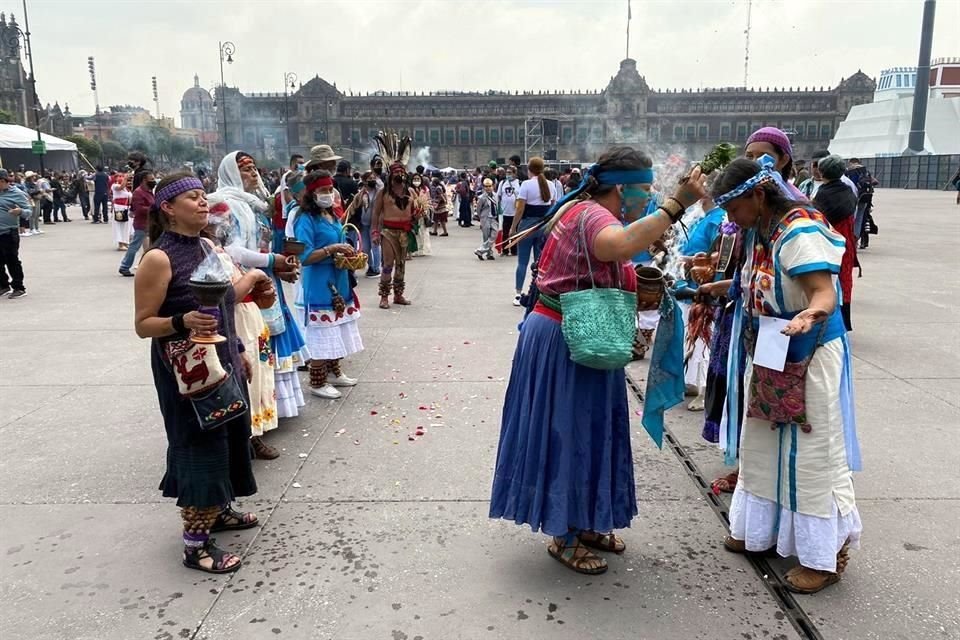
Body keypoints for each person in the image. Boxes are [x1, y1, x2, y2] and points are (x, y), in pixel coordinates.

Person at [490, 146, 707, 575]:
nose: (648, 195)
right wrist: (676, 203)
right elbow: (618, 245)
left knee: (590, 429)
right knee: (566, 432)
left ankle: (587, 520)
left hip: (583, 338)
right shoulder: (592, 216)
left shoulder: (589, 211)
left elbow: (621, 250)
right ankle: (564, 534)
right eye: (644, 188)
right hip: (564, 340)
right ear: (621, 188)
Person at [711, 157, 862, 594]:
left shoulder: (798, 229)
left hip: (809, 348)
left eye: (734, 207)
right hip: (774, 349)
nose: (730, 218)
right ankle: (759, 533)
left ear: (758, 195)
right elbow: (758, 285)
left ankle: (825, 556)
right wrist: (715, 288)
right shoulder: (759, 230)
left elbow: (822, 291)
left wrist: (810, 315)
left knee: (811, 448)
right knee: (761, 441)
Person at [135, 171, 265, 574]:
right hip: (187, 370)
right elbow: (143, 324)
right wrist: (182, 321)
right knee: (199, 445)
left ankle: (220, 510)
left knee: (228, 437)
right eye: (192, 197)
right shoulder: (158, 257)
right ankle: (196, 546)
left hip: (222, 360)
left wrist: (239, 349)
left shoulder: (209, 244)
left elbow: (224, 305)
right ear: (168, 209)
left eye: (202, 195)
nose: (202, 202)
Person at [212, 151, 297, 460]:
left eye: (253, 168)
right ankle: (244, 433)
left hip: (256, 289)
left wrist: (273, 265)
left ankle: (257, 429)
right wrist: (271, 261)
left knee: (261, 363)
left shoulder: (253, 204)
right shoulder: (226, 204)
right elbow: (231, 250)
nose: (252, 173)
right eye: (244, 169)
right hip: (238, 292)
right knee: (243, 365)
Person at [294, 170, 363, 399]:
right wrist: (332, 249)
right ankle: (317, 381)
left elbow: (340, 238)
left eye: (329, 190)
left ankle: (335, 372)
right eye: (323, 190)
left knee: (337, 326)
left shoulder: (331, 215)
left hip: (339, 277)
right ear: (312, 193)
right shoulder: (305, 219)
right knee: (323, 331)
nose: (328, 194)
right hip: (320, 282)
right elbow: (303, 256)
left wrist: (347, 249)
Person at [813, 155, 858, 331]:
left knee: (827, 282)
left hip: (828, 243)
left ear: (822, 172)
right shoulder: (848, 190)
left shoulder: (823, 193)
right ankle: (845, 322)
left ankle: (829, 321)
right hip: (846, 244)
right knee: (845, 282)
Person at [509, 157, 552, 306]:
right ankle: (539, 293)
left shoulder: (526, 185)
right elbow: (553, 209)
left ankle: (518, 293)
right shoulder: (551, 185)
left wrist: (513, 228)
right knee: (540, 262)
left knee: (522, 262)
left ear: (529, 169)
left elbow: (520, 209)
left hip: (527, 226)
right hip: (544, 227)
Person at [372, 163, 416, 309]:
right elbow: (376, 213)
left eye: (402, 172)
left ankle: (398, 295)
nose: (400, 175)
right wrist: (375, 232)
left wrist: (417, 216)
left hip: (404, 232)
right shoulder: (383, 192)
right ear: (390, 175)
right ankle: (384, 296)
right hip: (388, 232)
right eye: (396, 172)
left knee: (401, 265)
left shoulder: (410, 192)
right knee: (388, 264)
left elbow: (416, 210)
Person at [0, 169, 32, 299]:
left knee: (11, 260)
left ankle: (18, 287)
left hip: (9, 232)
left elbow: (28, 210)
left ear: (3, 181)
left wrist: (19, 211)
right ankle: (3, 285)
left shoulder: (16, 193)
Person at [119, 171, 156, 277]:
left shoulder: (148, 191)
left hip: (149, 223)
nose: (153, 181)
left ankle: (147, 267)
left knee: (149, 246)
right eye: (151, 179)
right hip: (142, 224)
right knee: (134, 246)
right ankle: (124, 266)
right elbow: (139, 209)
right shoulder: (139, 192)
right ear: (144, 180)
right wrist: (154, 208)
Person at [347, 171, 382, 278]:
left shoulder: (379, 192)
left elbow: (382, 186)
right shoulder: (361, 194)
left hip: (375, 224)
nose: (372, 180)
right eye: (369, 178)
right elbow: (352, 207)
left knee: (375, 246)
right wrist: (345, 219)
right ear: (364, 181)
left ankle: (376, 268)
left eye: (373, 178)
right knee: (365, 247)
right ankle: (370, 265)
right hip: (363, 224)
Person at [845, 158, 877, 249]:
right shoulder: (865, 171)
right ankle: (856, 240)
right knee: (860, 219)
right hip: (866, 198)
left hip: (855, 198)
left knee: (853, 219)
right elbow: (875, 182)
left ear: (851, 163)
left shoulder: (851, 171)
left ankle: (852, 240)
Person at [497, 166, 520, 256]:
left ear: (515, 173)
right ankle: (505, 249)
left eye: (510, 173)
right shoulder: (502, 183)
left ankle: (514, 250)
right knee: (505, 232)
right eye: (507, 173)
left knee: (514, 232)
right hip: (505, 212)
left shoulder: (519, 184)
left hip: (515, 213)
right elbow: (499, 196)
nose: (508, 175)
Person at [474, 178, 499, 260]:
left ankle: (480, 251)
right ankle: (489, 254)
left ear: (493, 186)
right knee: (486, 237)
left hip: (494, 218)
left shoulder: (496, 195)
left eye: (490, 186)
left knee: (494, 235)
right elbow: (478, 209)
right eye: (486, 186)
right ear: (483, 187)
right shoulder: (482, 197)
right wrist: (481, 219)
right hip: (485, 218)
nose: (488, 188)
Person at [410, 170, 432, 257]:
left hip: (423, 214)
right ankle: (415, 249)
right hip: (414, 214)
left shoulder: (424, 189)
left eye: (418, 179)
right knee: (415, 232)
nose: (416, 181)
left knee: (423, 231)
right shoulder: (410, 189)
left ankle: (422, 249)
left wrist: (425, 211)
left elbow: (428, 201)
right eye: (414, 179)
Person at [111, 174, 133, 251]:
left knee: (127, 226)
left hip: (126, 208)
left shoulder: (127, 189)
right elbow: (121, 187)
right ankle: (120, 243)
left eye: (122, 176)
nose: (121, 178)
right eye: (119, 176)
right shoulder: (114, 186)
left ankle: (125, 242)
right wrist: (125, 179)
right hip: (119, 208)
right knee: (119, 225)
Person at [429, 173, 450, 238]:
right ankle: (435, 231)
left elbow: (441, 195)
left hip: (439, 206)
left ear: (435, 183)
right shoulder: (440, 187)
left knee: (441, 220)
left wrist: (440, 201)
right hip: (439, 205)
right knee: (436, 219)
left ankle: (445, 232)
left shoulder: (438, 188)